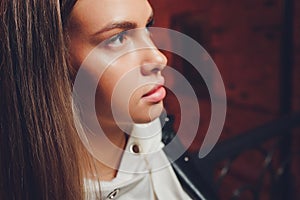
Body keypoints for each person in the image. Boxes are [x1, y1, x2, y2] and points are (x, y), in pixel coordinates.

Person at [0, 0, 196, 199]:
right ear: (52, 64)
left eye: (147, 27)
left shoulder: (158, 132)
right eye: (118, 38)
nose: (159, 59)